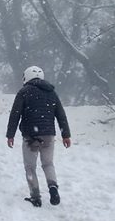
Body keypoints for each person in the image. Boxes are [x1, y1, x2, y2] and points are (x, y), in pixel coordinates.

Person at [6, 66, 72, 207]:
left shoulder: (24, 92)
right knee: (48, 164)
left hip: (31, 135)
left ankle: (35, 197)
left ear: (26, 77)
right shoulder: (51, 92)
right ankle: (53, 187)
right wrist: (66, 135)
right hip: (48, 135)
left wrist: (10, 135)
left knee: (30, 167)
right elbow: (61, 115)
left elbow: (15, 114)